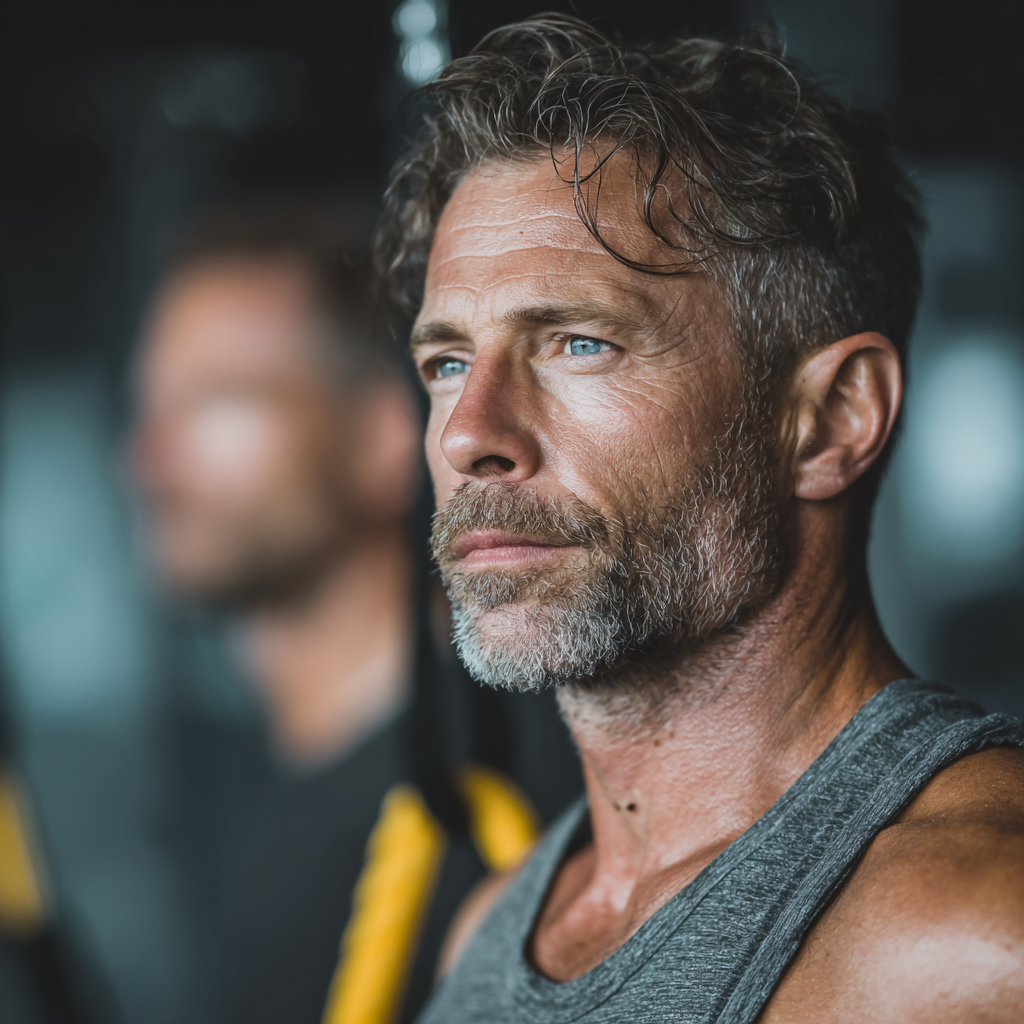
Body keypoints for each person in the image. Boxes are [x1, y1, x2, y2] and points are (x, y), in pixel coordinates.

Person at [374, 16, 1024, 1023]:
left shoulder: (977, 929)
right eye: (447, 362)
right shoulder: (487, 937)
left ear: (829, 420)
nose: (471, 435)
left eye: (578, 344)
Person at [131, 203, 581, 1024]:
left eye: (221, 400)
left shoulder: (498, 805)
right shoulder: (258, 813)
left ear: (381, 437)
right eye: (152, 408)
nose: (152, 459)